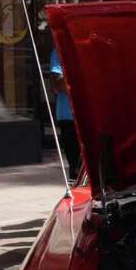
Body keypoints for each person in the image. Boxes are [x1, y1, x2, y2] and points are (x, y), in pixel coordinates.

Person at [48, 48, 80, 182]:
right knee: (76, 167)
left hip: (94, 116)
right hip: (69, 116)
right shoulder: (59, 51)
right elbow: (58, 85)